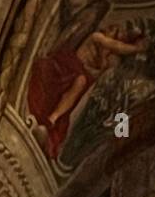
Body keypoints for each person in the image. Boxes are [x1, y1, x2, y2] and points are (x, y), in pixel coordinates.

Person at [28, 24, 147, 160]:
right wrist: (137, 49)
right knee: (81, 80)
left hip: (75, 82)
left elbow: (104, 73)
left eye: (119, 36)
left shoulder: (107, 56)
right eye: (115, 32)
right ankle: (51, 119)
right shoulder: (96, 37)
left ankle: (52, 121)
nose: (115, 37)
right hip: (68, 66)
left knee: (81, 85)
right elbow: (116, 46)